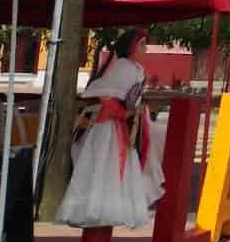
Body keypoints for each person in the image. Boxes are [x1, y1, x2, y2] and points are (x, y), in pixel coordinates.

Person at [56, 29, 165, 229]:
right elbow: (106, 96)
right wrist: (125, 112)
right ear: (132, 47)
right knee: (104, 164)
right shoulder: (123, 67)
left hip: (122, 124)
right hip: (109, 126)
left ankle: (109, 208)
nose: (146, 48)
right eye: (142, 44)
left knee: (113, 166)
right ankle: (96, 209)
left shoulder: (136, 69)